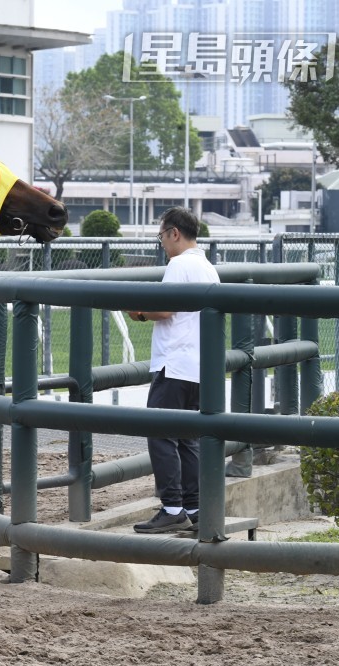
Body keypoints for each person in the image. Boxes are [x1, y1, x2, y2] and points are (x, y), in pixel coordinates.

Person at [126, 207, 220, 534]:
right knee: (187, 439)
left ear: (174, 233)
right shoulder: (208, 268)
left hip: (174, 363)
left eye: (162, 236)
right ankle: (194, 508)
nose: (162, 243)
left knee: (161, 433)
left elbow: (165, 309)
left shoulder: (178, 265)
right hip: (200, 367)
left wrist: (137, 312)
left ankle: (172, 507)